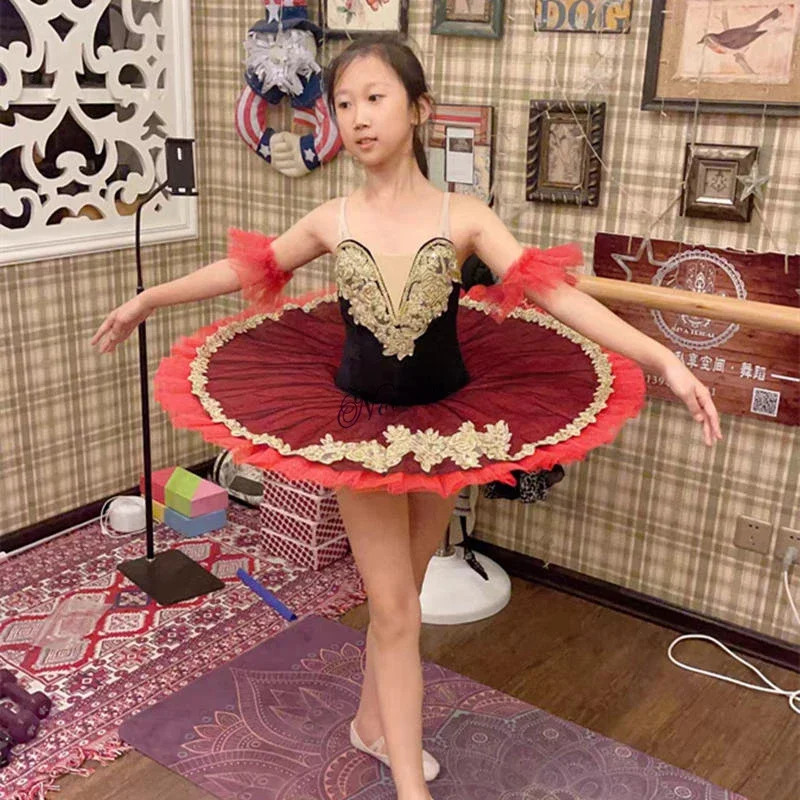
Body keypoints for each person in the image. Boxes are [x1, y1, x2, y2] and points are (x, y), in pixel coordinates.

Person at [90, 33, 722, 800]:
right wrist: (150, 296)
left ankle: (368, 724)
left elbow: (559, 296)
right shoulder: (333, 216)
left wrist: (665, 360)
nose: (357, 118)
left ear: (418, 109)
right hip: (362, 434)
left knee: (406, 601)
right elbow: (245, 269)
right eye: (344, 104)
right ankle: (410, 790)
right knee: (393, 608)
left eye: (375, 98)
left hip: (449, 427)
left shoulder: (465, 217)